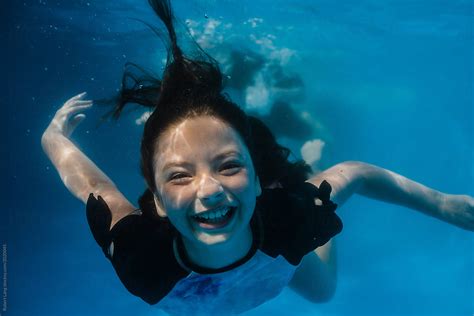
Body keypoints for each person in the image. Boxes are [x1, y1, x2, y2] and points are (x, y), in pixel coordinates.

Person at [41, 0, 474, 314]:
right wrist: (53, 135)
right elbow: (94, 186)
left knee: (324, 293)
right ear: (153, 199)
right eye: (179, 176)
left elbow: (355, 174)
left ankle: (302, 167)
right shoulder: (140, 257)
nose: (208, 191)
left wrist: (443, 205)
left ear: (254, 174)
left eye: (228, 165)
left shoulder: (291, 219)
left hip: (281, 235)